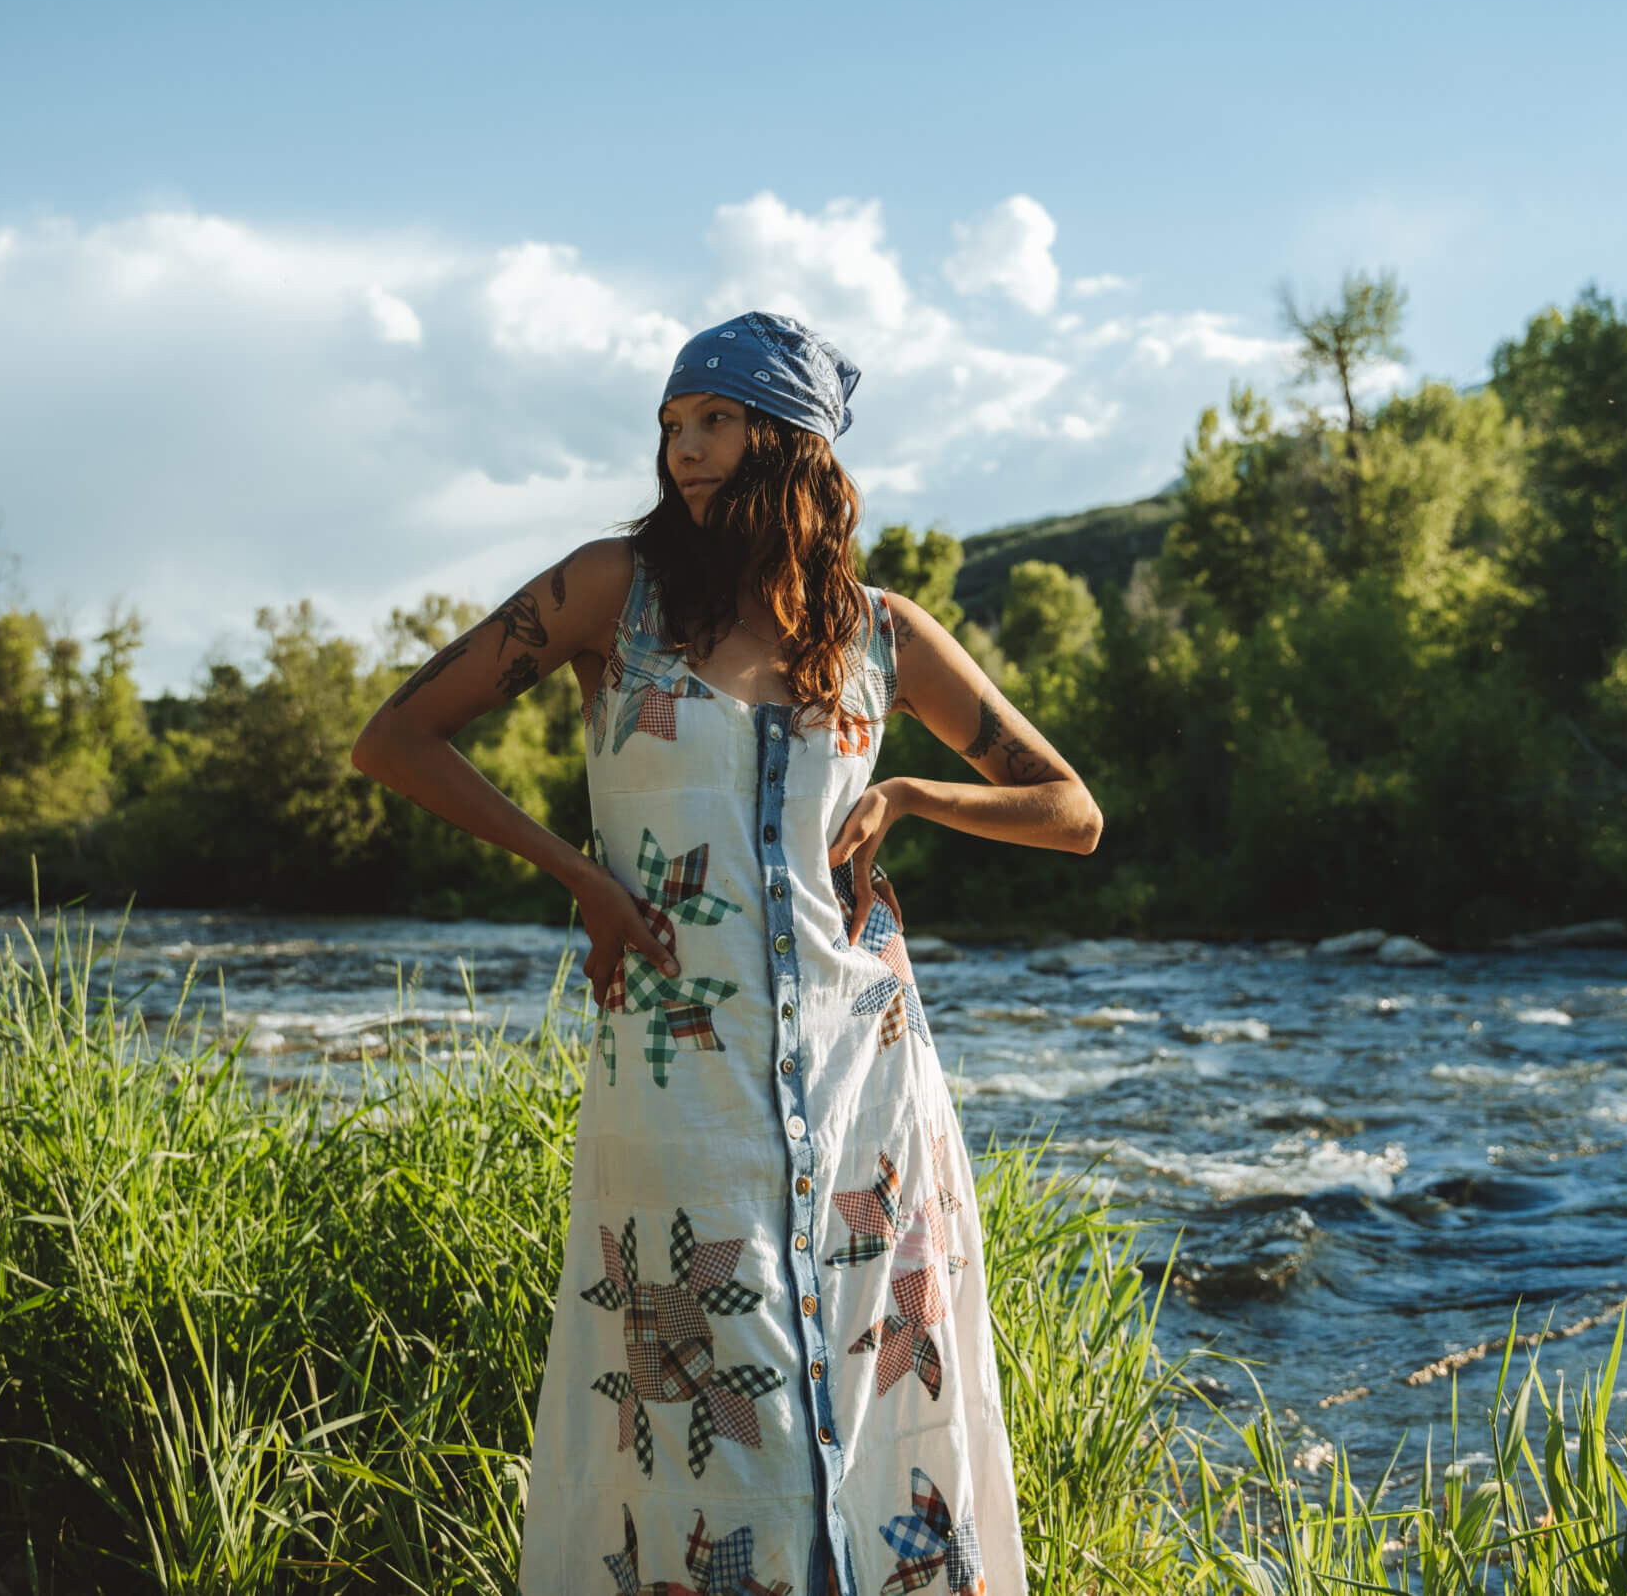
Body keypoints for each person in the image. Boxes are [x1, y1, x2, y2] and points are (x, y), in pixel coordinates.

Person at [351, 311, 1101, 1596]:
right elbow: (397, 738)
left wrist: (916, 798)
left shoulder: (880, 634)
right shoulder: (611, 594)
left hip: (863, 1078)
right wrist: (580, 876)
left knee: (874, 1413)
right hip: (677, 1074)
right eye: (670, 426)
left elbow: (1070, 812)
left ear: (790, 443)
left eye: (713, 421)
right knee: (709, 1413)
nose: (684, 450)